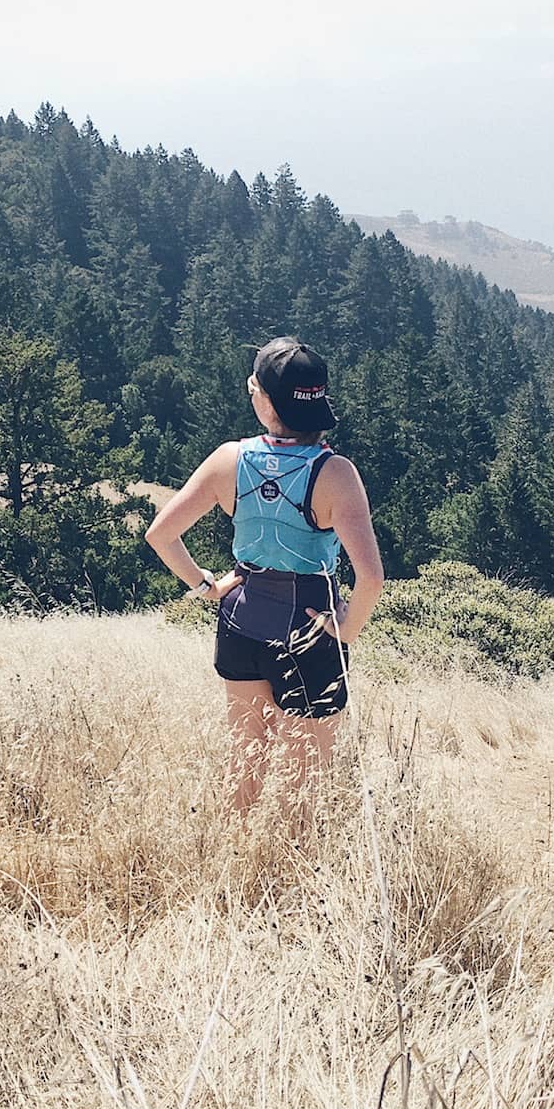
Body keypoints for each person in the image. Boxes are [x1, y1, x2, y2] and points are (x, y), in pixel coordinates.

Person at [145, 337, 385, 817]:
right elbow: (371, 578)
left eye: (253, 385)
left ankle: (239, 861)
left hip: (240, 620)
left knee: (245, 758)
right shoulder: (336, 473)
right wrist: (348, 629)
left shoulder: (228, 460)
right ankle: (290, 878)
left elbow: (161, 535)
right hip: (310, 627)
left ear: (267, 401)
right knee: (306, 776)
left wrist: (206, 587)